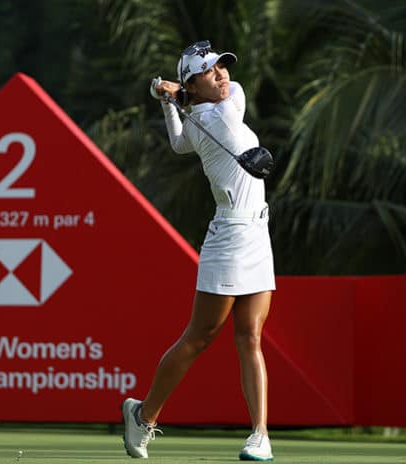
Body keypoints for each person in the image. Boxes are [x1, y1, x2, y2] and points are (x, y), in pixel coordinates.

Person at [121, 40, 275, 461]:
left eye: (222, 67)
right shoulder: (218, 114)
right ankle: (144, 415)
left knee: (250, 336)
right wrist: (180, 97)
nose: (223, 75)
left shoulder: (214, 107)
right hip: (228, 236)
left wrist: (173, 99)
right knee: (200, 336)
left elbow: (177, 143)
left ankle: (259, 435)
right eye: (211, 71)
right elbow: (201, 120)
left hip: (258, 234)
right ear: (195, 83)